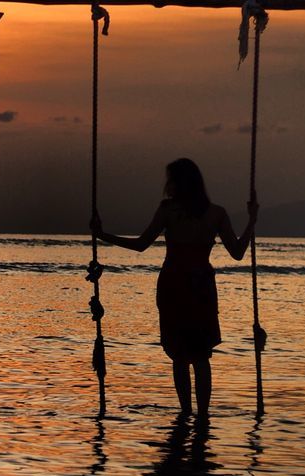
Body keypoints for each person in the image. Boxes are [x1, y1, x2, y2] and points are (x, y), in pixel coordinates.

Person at [91, 158, 258, 418]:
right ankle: (202, 417)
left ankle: (185, 414)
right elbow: (237, 252)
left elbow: (141, 244)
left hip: (175, 284)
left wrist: (103, 236)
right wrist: (252, 222)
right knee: (201, 356)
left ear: (178, 182)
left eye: (170, 179)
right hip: (199, 285)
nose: (166, 184)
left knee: (180, 355)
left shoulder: (169, 210)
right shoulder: (216, 213)